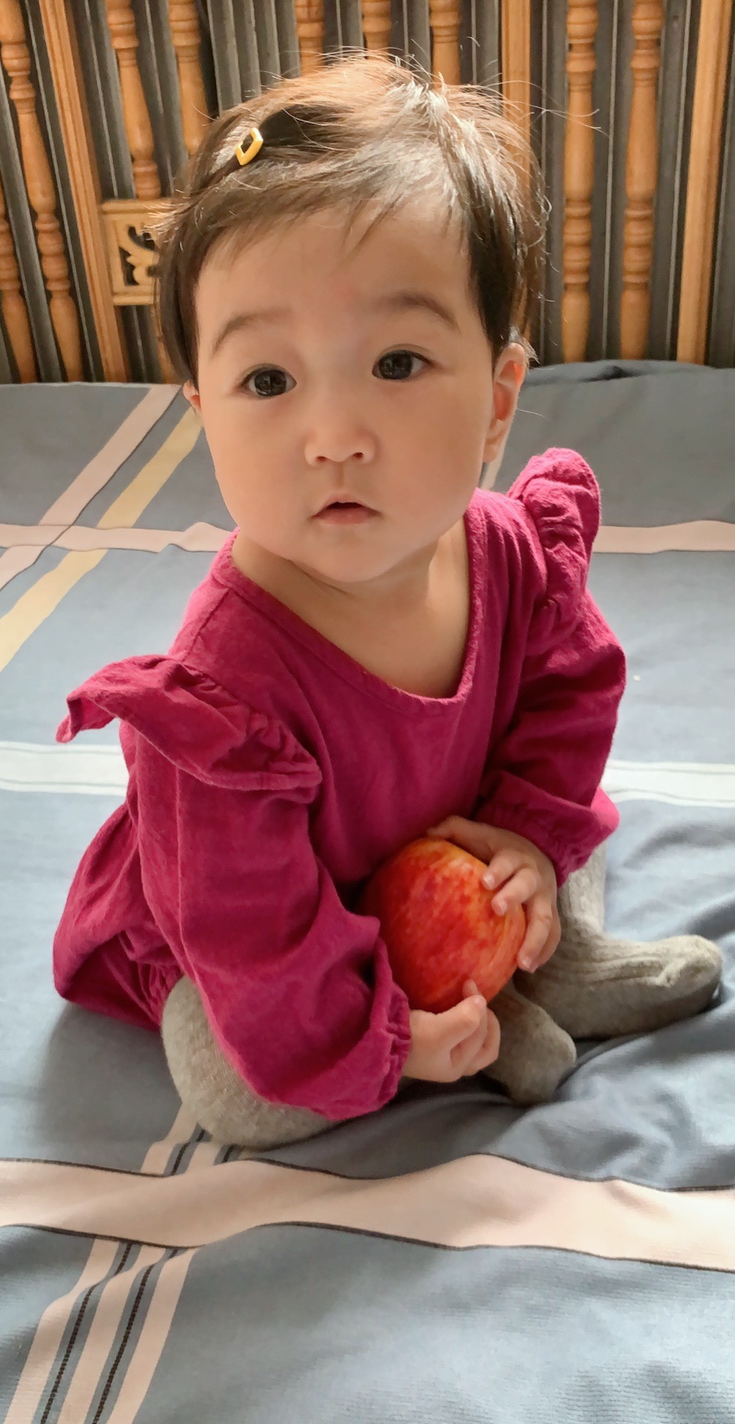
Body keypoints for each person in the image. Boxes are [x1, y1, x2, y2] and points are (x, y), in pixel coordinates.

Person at [53, 57, 720, 1147]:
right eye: (269, 381)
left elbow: (565, 702)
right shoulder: (224, 697)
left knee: (574, 831)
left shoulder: (508, 553)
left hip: (439, 857)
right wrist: (394, 1043)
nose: (334, 436)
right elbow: (253, 937)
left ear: (498, 398)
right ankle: (467, 1022)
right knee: (237, 1085)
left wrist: (522, 845)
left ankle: (539, 961)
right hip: (261, 928)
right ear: (205, 412)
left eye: (398, 362)